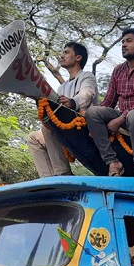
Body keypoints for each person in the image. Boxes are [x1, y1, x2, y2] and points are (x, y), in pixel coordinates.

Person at [85, 28, 134, 178]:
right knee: (92, 112)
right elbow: (109, 100)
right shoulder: (118, 70)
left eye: (128, 41)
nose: (124, 45)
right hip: (123, 116)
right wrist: (88, 118)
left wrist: (120, 119)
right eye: (122, 42)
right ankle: (112, 162)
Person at [28, 42, 99, 178]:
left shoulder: (87, 76)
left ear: (78, 57)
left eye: (66, 52)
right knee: (34, 138)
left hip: (84, 129)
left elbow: (87, 94)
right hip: (66, 131)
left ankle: (63, 173)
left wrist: (72, 102)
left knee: (49, 126)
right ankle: (48, 180)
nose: (62, 55)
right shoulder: (62, 87)